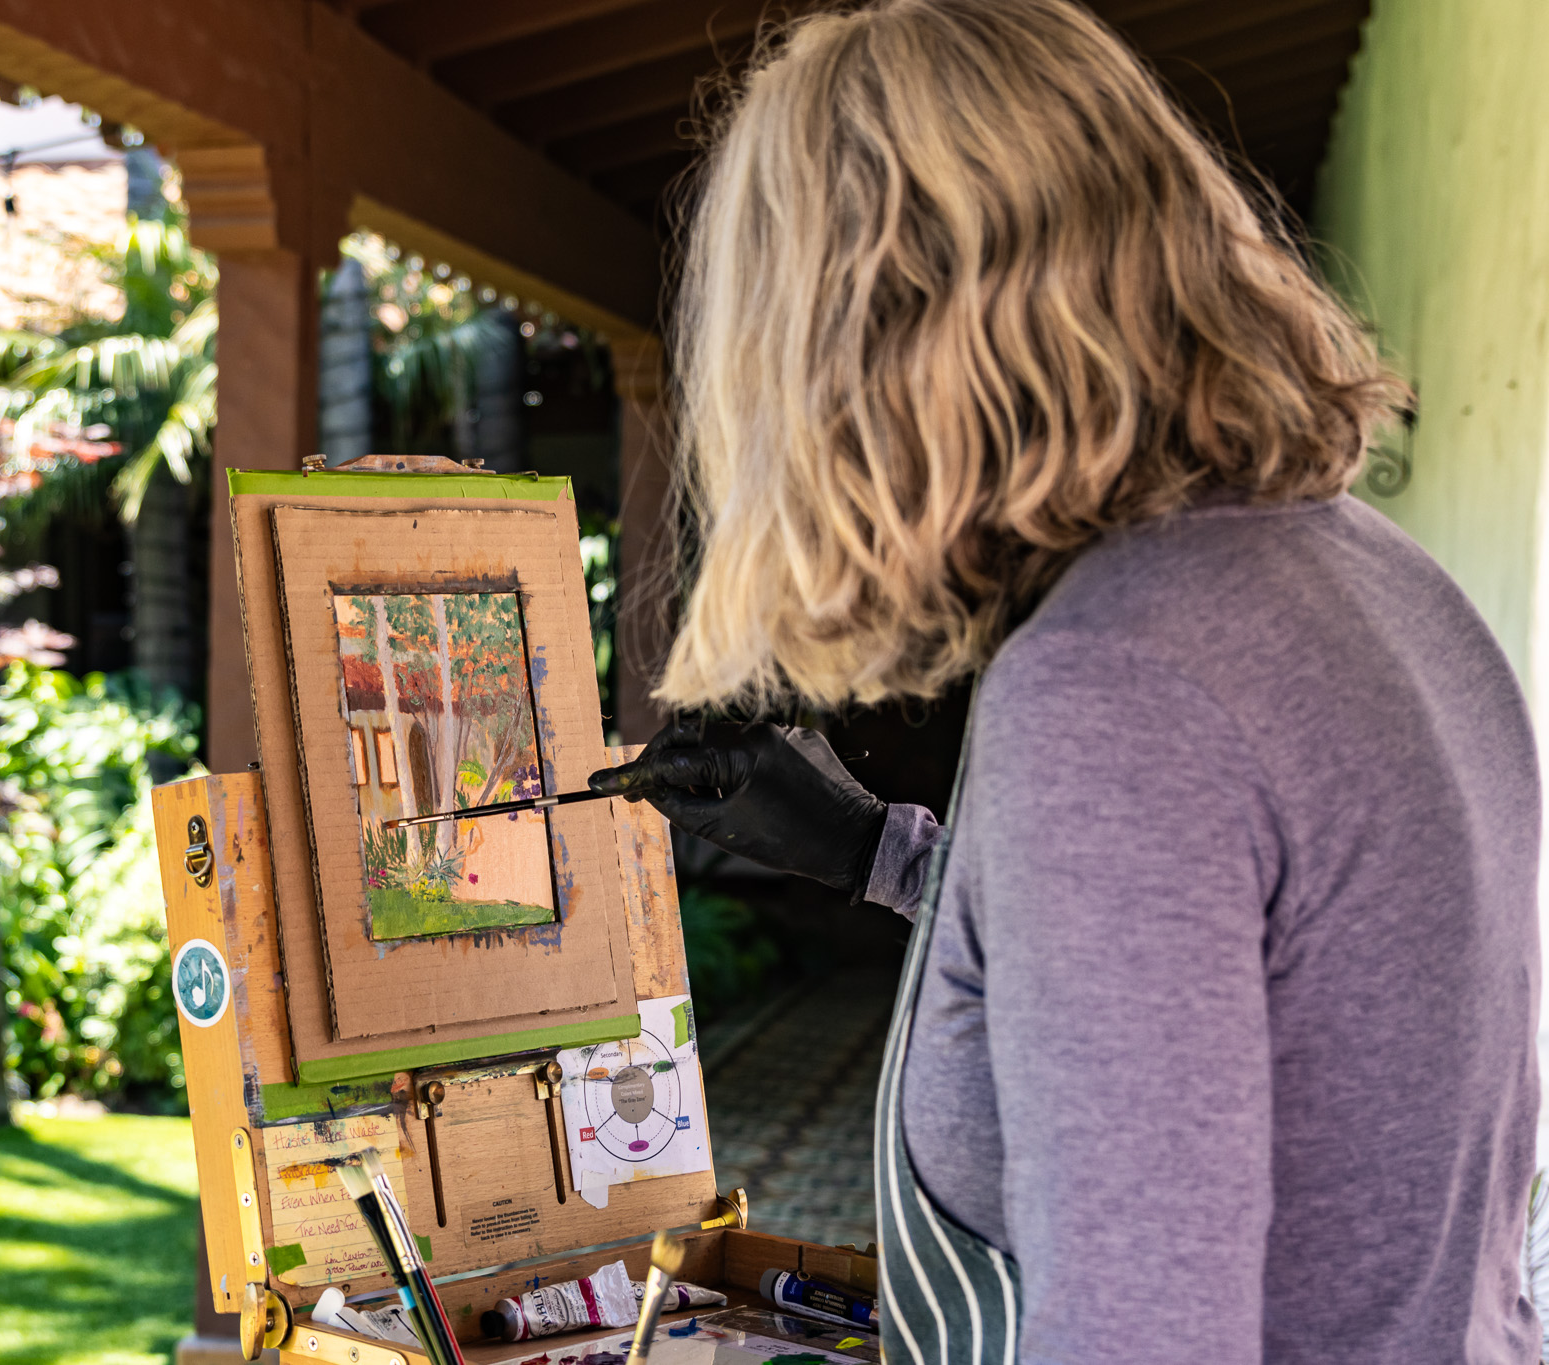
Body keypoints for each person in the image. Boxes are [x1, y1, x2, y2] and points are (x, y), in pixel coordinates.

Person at [589, 2, 1541, 1362]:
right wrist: (873, 850)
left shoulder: (1115, 686)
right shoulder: (1388, 581)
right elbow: (1231, 990)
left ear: (877, 352)